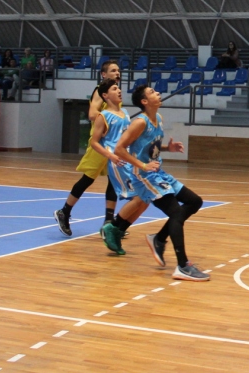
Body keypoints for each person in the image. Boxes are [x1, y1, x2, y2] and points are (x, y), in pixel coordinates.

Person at [103, 84, 209, 281]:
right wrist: (142, 165)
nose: (158, 93)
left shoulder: (158, 118)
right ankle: (182, 265)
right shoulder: (139, 122)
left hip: (158, 173)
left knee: (195, 201)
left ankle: (159, 239)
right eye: (152, 92)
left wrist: (167, 148)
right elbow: (119, 149)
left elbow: (149, 146)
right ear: (144, 101)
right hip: (144, 177)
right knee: (176, 213)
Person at [54, 60, 123, 237]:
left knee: (114, 181)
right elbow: (92, 114)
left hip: (112, 144)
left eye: (118, 70)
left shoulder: (115, 93)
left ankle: (109, 222)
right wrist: (107, 119)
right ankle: (64, 212)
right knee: (87, 179)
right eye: (113, 70)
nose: (117, 73)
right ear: (104, 74)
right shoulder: (100, 91)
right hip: (100, 143)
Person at [88, 79, 145, 254]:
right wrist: (111, 156)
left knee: (145, 198)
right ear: (105, 95)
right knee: (139, 197)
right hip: (118, 162)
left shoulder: (125, 113)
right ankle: (111, 227)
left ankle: (117, 231)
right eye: (114, 88)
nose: (119, 90)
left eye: (118, 88)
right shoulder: (103, 116)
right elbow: (94, 142)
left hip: (129, 159)